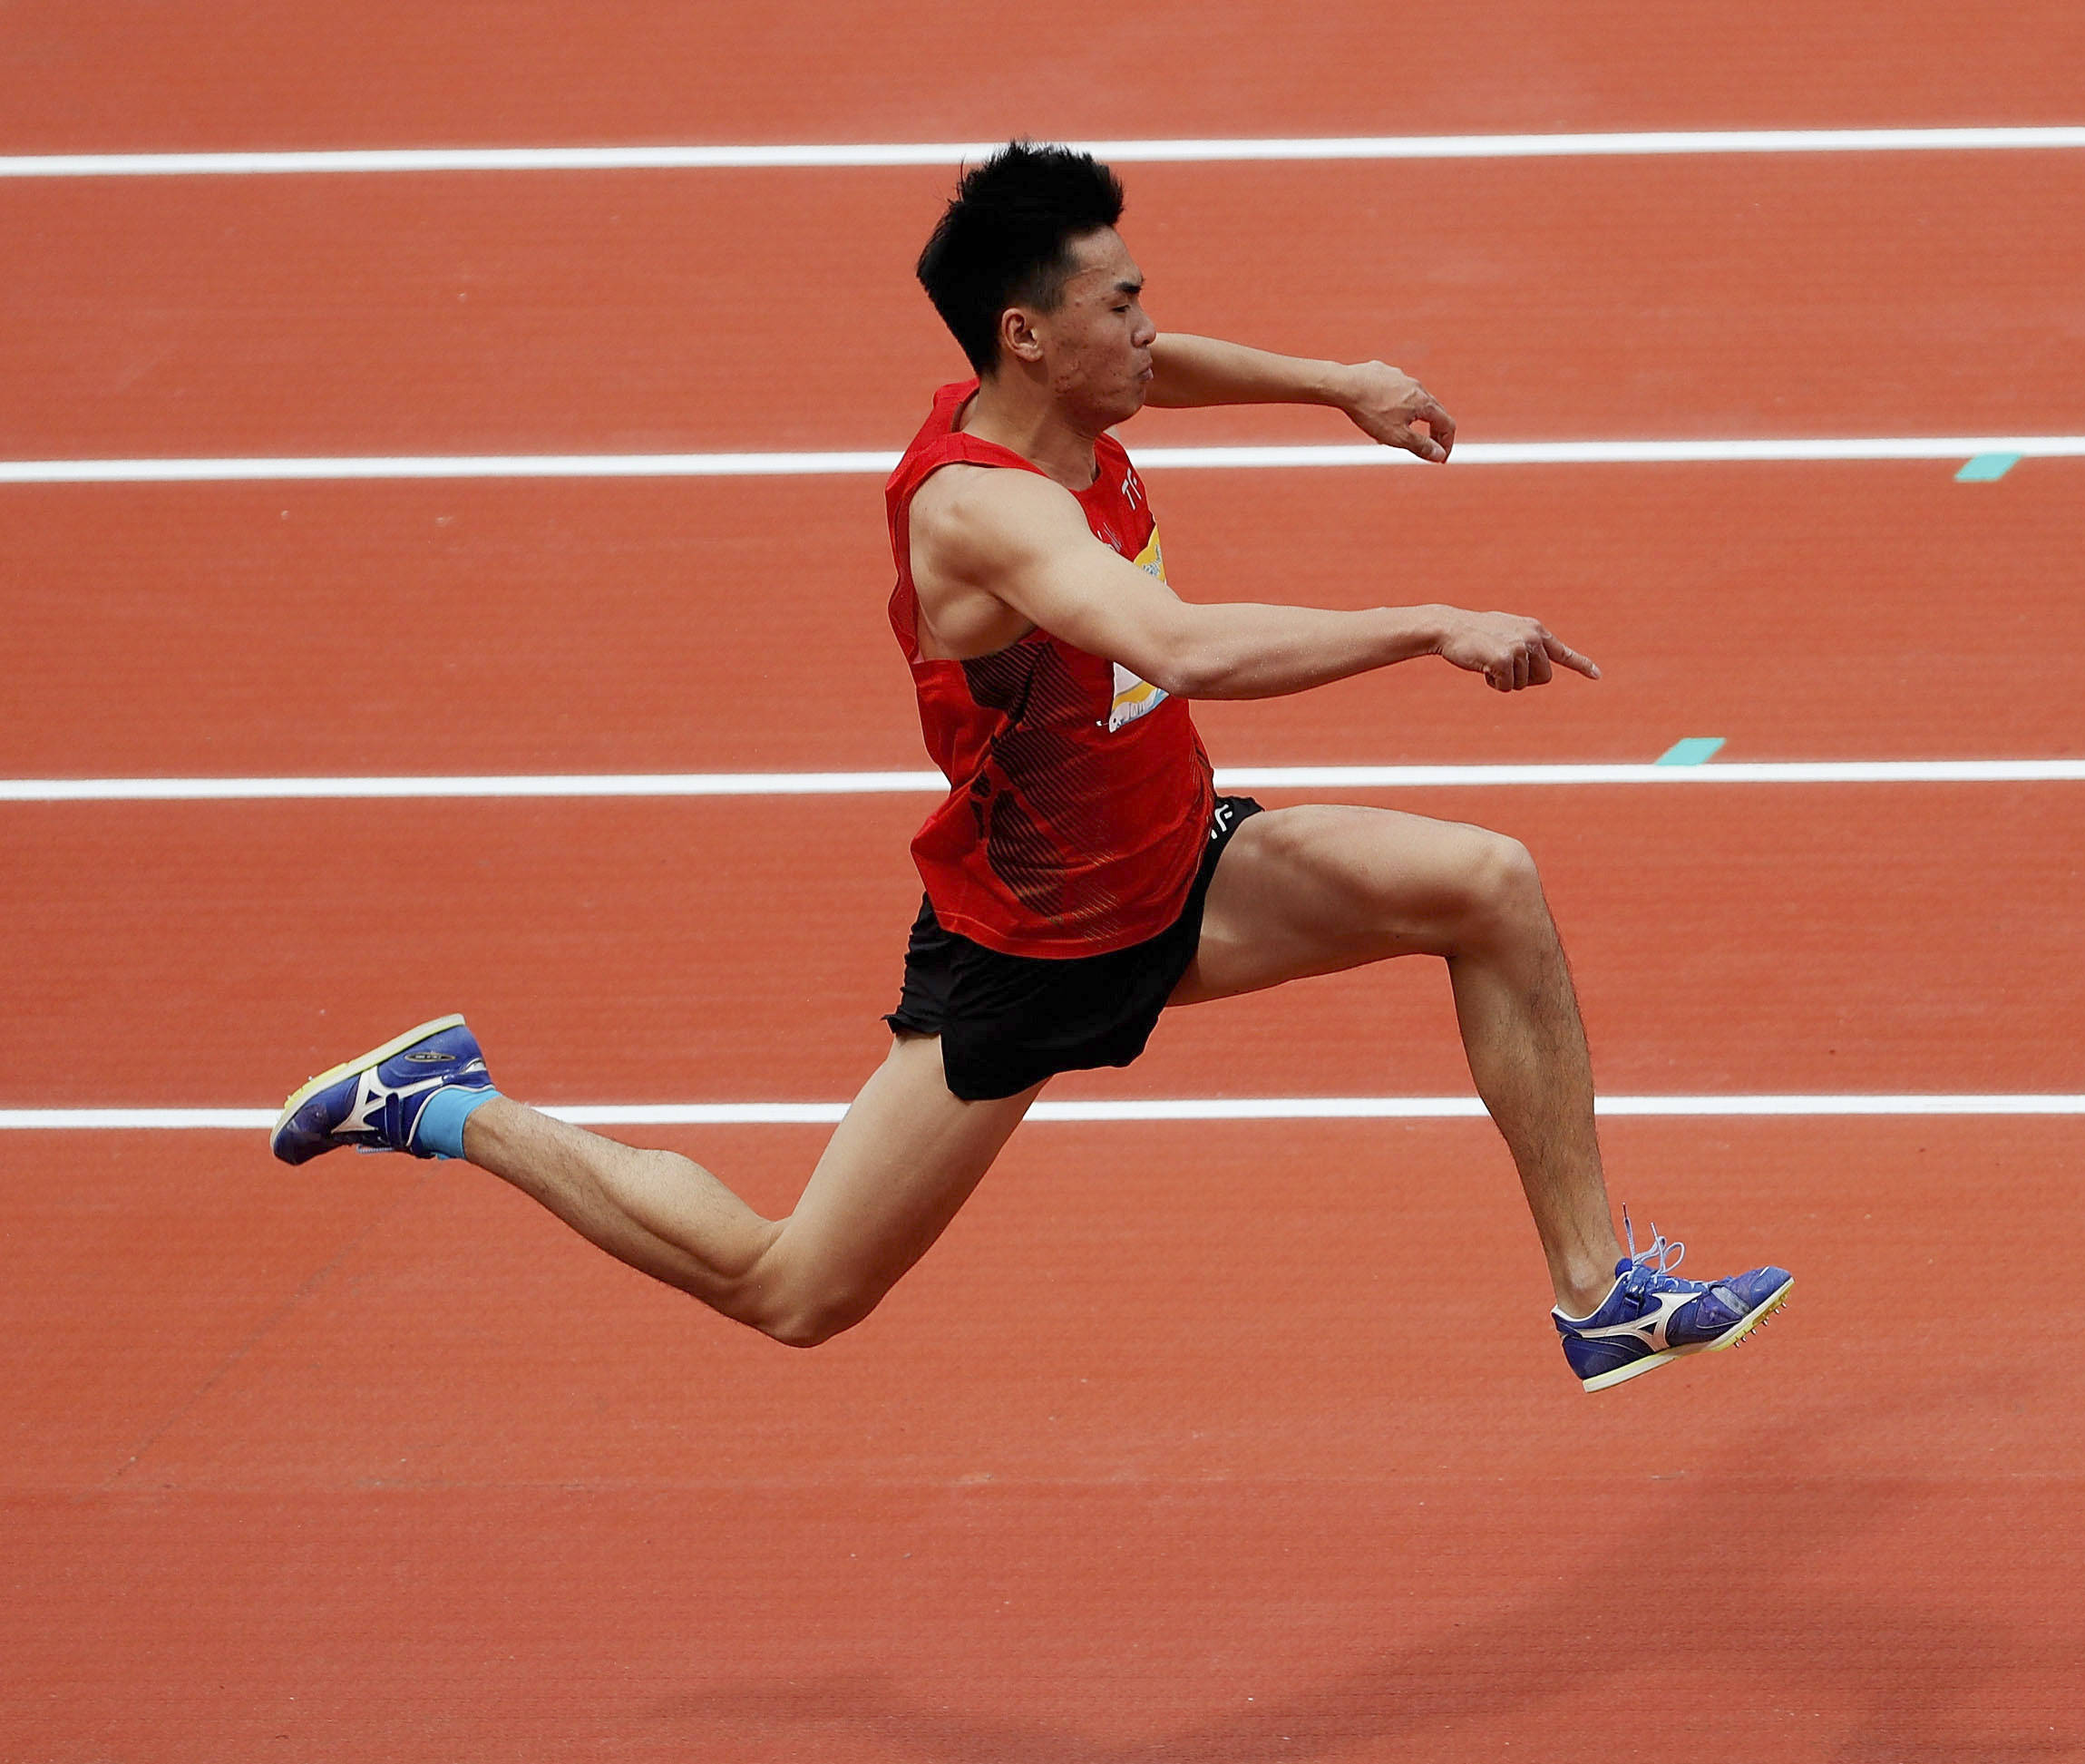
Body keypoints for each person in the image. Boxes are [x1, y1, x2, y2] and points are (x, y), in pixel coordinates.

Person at [271, 142, 1788, 1392]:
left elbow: (1163, 370)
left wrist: (1338, 379)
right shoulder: (980, 513)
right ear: (1027, 334)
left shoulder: (1069, 397)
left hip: (1178, 871)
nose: (1146, 329)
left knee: (1489, 886)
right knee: (792, 1288)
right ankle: (444, 1104)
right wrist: (1433, 621)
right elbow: (1179, 649)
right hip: (1035, 948)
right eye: (1118, 305)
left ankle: (1599, 1296)